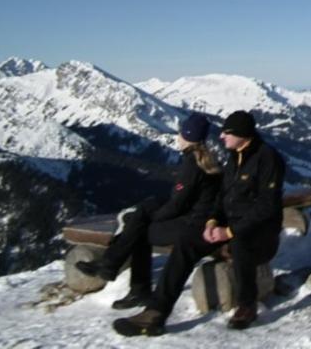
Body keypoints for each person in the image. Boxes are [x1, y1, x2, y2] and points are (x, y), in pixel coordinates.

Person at [113, 110, 286, 336]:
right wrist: (213, 222)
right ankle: (155, 312)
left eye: (227, 133)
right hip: (228, 225)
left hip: (259, 232)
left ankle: (247, 305)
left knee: (241, 243)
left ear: (243, 134)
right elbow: (222, 198)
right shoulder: (235, 157)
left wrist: (230, 231)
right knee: (187, 242)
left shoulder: (267, 158)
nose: (222, 137)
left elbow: (267, 207)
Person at [77, 113, 221, 308]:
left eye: (180, 133)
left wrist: (152, 216)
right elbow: (185, 200)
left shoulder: (191, 166)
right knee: (145, 209)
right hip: (197, 217)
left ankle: (133, 284)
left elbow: (178, 205)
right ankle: (112, 266)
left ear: (186, 136)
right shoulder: (204, 160)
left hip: (193, 224)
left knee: (141, 227)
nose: (177, 137)